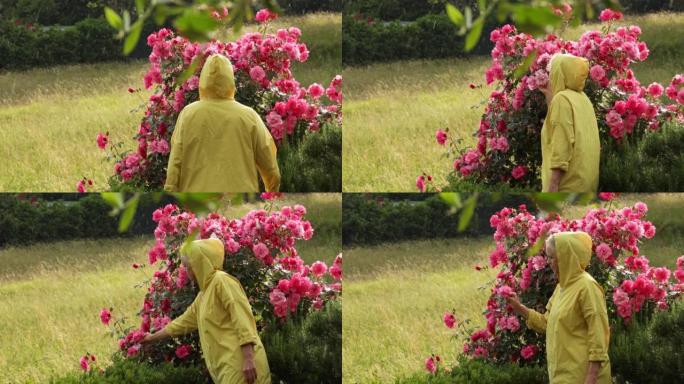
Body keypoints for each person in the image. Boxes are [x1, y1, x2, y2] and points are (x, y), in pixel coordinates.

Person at [141, 237, 271, 384]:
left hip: (242, 365)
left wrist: (248, 358)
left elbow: (241, 315)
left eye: (188, 266)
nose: (187, 271)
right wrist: (151, 338)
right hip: (229, 367)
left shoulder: (221, 281)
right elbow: (182, 323)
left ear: (198, 264)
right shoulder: (203, 295)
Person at [164, 54, 281, 192]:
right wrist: (272, 191)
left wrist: (170, 192)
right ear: (230, 80)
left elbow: (175, 162)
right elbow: (270, 166)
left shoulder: (188, 114)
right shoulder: (249, 116)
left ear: (203, 80)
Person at [506, 232, 611, 384]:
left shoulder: (587, 287)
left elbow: (599, 334)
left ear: (565, 257)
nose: (547, 261)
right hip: (564, 376)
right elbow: (547, 323)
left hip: (584, 376)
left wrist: (591, 378)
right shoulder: (561, 287)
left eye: (551, 257)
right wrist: (519, 307)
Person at [539, 54, 600, 192]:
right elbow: (558, 123)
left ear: (559, 73)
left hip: (565, 185)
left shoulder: (562, 100)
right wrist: (549, 96)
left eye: (551, 72)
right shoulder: (582, 98)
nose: (550, 77)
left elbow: (562, 143)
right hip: (585, 183)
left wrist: (553, 186)